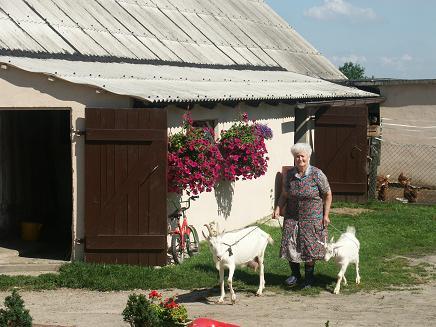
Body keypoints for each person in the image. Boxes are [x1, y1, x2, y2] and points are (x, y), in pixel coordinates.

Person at [273, 143, 332, 288]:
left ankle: (309, 278)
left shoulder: (317, 174)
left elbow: (328, 194)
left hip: (312, 218)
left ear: (308, 157)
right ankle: (295, 275)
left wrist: (326, 215)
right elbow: (284, 195)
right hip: (292, 217)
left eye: (302, 156)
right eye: (297, 156)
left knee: (309, 248)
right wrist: (278, 208)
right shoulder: (290, 175)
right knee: (290, 245)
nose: (300, 159)